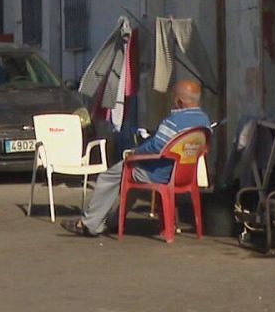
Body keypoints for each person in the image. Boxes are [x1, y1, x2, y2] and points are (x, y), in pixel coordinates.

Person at [63, 79, 212, 237]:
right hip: (185, 174)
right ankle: (113, 221)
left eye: (173, 96)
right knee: (131, 180)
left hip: (160, 173)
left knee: (110, 176)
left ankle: (89, 224)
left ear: (179, 101)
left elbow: (156, 146)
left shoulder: (174, 121)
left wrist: (135, 152)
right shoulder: (203, 121)